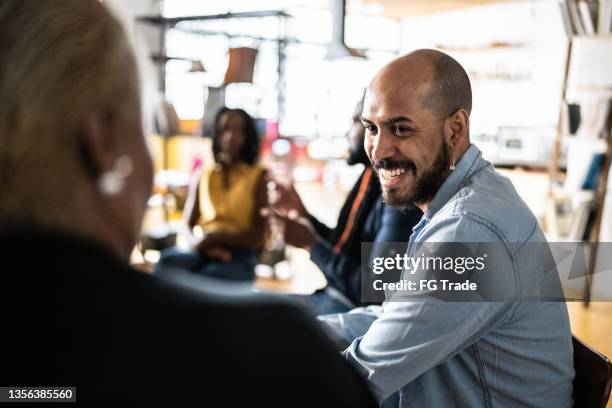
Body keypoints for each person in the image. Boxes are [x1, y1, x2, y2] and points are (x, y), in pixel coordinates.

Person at [0, 1, 377, 406]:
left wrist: (307, 238)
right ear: (104, 138)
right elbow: (369, 282)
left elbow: (377, 291)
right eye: (367, 124)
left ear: (455, 126)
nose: (373, 139)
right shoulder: (277, 353)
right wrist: (309, 236)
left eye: (392, 127)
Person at [317, 49, 575, 406]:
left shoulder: (468, 231)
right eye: (371, 128)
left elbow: (359, 379)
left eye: (401, 128)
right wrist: (298, 331)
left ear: (455, 129)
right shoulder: (464, 200)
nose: (378, 151)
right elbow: (400, 319)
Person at [269, 97, 421, 314]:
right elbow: (346, 249)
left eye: (358, 123)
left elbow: (373, 291)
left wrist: (311, 244)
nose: (349, 132)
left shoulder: (399, 194)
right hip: (334, 296)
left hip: (353, 313)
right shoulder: (369, 178)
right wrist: (301, 213)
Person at [156, 106, 267, 282]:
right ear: (217, 134)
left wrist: (215, 240)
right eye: (224, 129)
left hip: (240, 255)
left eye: (238, 131)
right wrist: (201, 245)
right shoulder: (203, 173)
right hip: (203, 249)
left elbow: (257, 235)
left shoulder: (259, 176)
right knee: (166, 263)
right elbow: (186, 224)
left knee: (207, 279)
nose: (230, 136)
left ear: (248, 136)